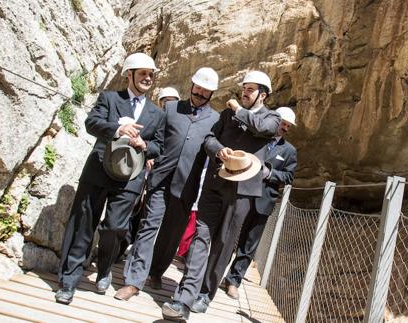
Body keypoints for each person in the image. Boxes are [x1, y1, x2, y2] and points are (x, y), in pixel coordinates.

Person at [161, 71, 281, 321]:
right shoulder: (227, 115)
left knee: (224, 243)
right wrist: (219, 150)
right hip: (216, 184)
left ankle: (206, 293)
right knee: (201, 237)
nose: (245, 92)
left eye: (250, 89)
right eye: (244, 88)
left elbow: (261, 129)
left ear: (263, 94)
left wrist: (238, 110)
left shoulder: (272, 117)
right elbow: (209, 138)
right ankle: (184, 297)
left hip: (243, 191)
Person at [55, 52, 166, 305]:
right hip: (98, 171)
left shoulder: (157, 114)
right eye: (143, 74)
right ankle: (68, 282)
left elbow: (159, 146)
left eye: (151, 74)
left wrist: (144, 143)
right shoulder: (109, 98)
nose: (148, 78)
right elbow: (91, 123)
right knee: (83, 225)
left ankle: (104, 269)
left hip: (130, 177)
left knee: (115, 227)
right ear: (129, 74)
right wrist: (118, 129)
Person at [113, 67, 220, 301]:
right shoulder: (171, 108)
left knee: (171, 234)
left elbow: (212, 146)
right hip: (160, 179)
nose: (201, 92)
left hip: (187, 186)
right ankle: (133, 281)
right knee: (149, 227)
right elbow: (155, 139)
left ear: (212, 94)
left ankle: (156, 271)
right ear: (192, 85)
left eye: (206, 90)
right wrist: (149, 153)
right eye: (198, 87)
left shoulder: (215, 120)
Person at [221, 106, 297, 299]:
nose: (284, 128)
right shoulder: (255, 139)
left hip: (264, 201)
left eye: (288, 126)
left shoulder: (289, 151)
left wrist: (270, 173)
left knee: (249, 244)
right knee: (230, 233)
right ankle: (216, 272)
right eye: (282, 123)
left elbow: (289, 176)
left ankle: (233, 281)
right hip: (243, 192)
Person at [117, 86, 182, 261]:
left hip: (160, 175)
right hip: (142, 170)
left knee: (145, 216)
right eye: (165, 102)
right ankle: (119, 248)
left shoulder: (179, 126)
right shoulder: (153, 119)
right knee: (132, 210)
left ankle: (132, 250)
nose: (169, 105)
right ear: (161, 103)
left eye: (172, 102)